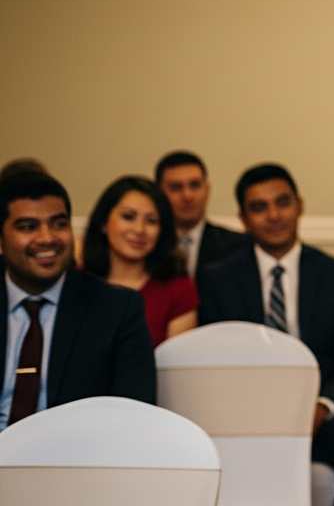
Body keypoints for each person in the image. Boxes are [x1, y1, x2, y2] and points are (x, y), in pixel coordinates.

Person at [197, 163, 334, 506]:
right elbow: (216, 362)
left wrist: (320, 406)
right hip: (248, 410)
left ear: (299, 205)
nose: (273, 215)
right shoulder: (217, 278)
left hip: (321, 407)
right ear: (243, 218)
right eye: (259, 207)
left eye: (282, 202)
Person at [0, 171, 156, 431]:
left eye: (59, 224)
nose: (47, 238)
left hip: (72, 461)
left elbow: (134, 420)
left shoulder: (116, 311)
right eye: (28, 227)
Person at [82, 176, 199, 347]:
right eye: (128, 217)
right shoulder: (77, 282)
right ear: (104, 223)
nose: (139, 229)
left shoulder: (178, 287)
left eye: (151, 221)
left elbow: (176, 366)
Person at [155, 151, 247, 277]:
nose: (187, 196)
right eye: (176, 187)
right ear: (159, 194)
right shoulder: (148, 244)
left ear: (207, 190)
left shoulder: (239, 246)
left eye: (195, 185)